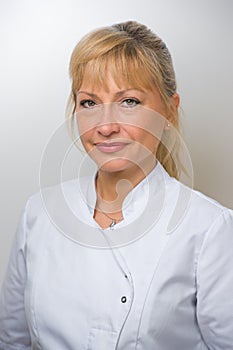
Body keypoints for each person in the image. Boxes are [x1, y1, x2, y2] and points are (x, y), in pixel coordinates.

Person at [0, 20, 233, 350]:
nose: (105, 126)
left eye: (130, 102)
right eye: (89, 103)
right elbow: (12, 341)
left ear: (169, 112)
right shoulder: (39, 213)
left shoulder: (210, 229)